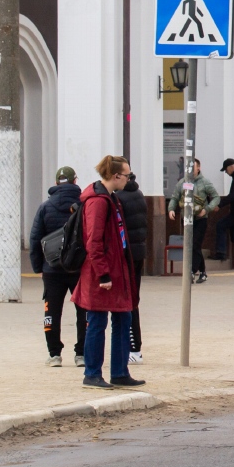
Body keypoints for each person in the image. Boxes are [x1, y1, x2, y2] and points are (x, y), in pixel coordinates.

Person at [72, 155, 145, 390]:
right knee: (97, 322)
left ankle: (120, 372)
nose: (129, 179)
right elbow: (93, 242)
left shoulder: (112, 198)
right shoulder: (98, 201)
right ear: (116, 176)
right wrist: (103, 274)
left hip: (117, 269)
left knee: (124, 318)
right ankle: (92, 373)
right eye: (127, 175)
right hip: (102, 274)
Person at [28, 166, 86, 367]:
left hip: (52, 269)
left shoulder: (45, 207)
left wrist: (39, 267)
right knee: (84, 310)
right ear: (75, 182)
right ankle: (82, 354)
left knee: (51, 310)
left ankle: (54, 354)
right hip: (79, 268)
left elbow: (35, 238)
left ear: (55, 184)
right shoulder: (83, 205)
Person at [168, 158, 220, 283]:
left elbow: (216, 198)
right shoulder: (182, 182)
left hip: (200, 218)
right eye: (188, 168)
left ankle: (191, 271)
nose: (190, 170)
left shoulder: (204, 182)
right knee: (191, 245)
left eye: (193, 167)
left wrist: (206, 209)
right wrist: (171, 209)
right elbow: (175, 197)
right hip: (186, 219)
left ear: (198, 168)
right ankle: (202, 272)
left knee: (195, 244)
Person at [115, 172, 148, 364]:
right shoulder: (138, 193)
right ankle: (135, 347)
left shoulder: (119, 198)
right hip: (138, 253)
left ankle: (132, 349)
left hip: (126, 255)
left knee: (126, 302)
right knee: (133, 299)